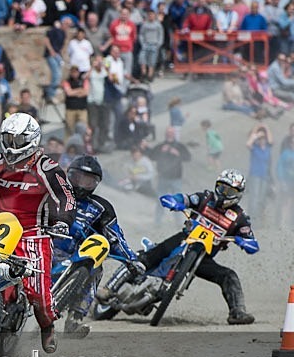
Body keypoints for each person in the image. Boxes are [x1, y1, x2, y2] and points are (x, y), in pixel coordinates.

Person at [100, 170, 258, 325]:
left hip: (203, 257)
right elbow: (186, 199)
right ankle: (109, 289)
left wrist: (245, 241)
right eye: (221, 187)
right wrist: (175, 201)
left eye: (228, 190)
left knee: (229, 276)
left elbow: (251, 240)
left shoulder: (239, 218)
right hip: (184, 239)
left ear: (238, 194)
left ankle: (237, 312)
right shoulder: (205, 198)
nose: (222, 193)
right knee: (145, 257)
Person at [0, 113, 76, 353]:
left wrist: (63, 220)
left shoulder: (46, 167)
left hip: (32, 234)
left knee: (38, 293)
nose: (11, 146)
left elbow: (67, 198)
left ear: (32, 140)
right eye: (7, 139)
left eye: (17, 140)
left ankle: (47, 326)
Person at [53, 155, 143, 337]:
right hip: (39, 249)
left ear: (95, 184)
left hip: (73, 257)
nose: (80, 184)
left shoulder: (102, 208)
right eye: (77, 178)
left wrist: (132, 260)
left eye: (88, 181)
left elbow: (115, 237)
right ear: (69, 175)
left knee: (96, 268)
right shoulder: (53, 193)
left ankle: (75, 320)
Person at [147, 127, 191, 224]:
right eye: (168, 133)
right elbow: (151, 156)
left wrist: (177, 153)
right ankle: (157, 222)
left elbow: (188, 157)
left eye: (171, 133)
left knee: (177, 201)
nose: (169, 134)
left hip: (176, 178)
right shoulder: (161, 146)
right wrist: (161, 151)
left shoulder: (179, 146)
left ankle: (179, 222)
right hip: (163, 178)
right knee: (160, 201)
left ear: (174, 134)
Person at [245, 124, 273, 222]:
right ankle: (250, 217)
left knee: (262, 198)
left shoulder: (268, 148)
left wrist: (265, 127)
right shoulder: (255, 148)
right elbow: (248, 143)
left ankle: (259, 218)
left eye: (263, 138)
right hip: (255, 175)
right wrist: (257, 131)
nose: (262, 140)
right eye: (260, 138)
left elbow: (270, 139)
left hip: (265, 176)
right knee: (254, 196)